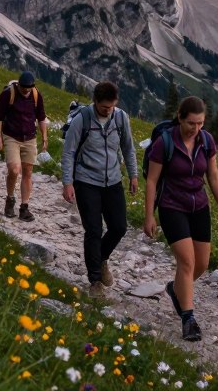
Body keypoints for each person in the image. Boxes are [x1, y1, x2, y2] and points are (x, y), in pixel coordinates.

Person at [143, 96, 218, 342]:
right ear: (180, 118)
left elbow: (213, 175)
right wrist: (149, 215)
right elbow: (151, 180)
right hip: (172, 206)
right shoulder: (165, 142)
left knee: (202, 264)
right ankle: (188, 318)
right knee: (187, 262)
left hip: (199, 205)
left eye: (200, 123)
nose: (196, 128)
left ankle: (176, 289)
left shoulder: (206, 141)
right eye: (191, 123)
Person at [61, 81, 139, 298]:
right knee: (93, 230)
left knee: (119, 227)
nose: (109, 110)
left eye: (112, 106)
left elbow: (128, 148)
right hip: (86, 181)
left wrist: (133, 175)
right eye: (105, 107)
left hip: (113, 180)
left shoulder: (121, 118)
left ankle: (101, 257)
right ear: (95, 102)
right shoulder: (82, 120)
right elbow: (68, 152)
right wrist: (67, 183)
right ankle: (95, 279)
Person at [0, 71, 47, 222]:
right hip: (11, 137)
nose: (26, 91)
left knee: (28, 172)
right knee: (14, 169)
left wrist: (44, 136)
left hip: (30, 137)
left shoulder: (36, 95)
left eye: (29, 89)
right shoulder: (8, 94)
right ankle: (10, 199)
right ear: (18, 85)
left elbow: (41, 117)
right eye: (24, 88)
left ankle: (24, 207)